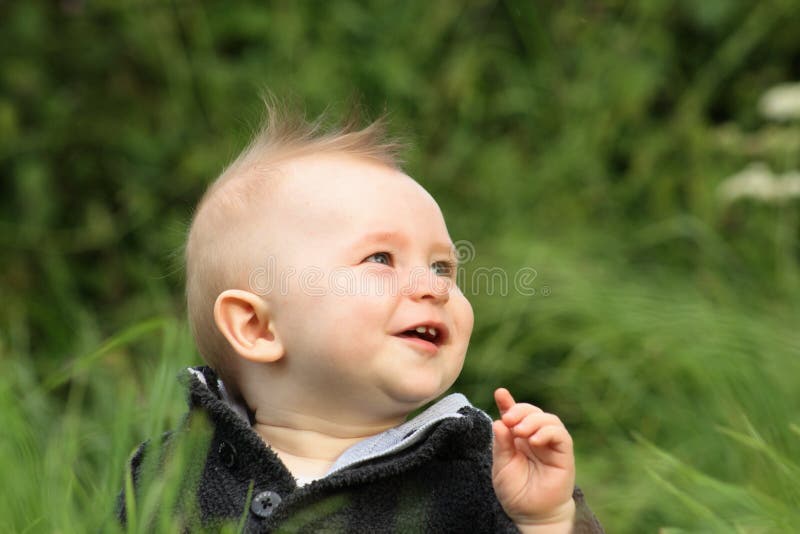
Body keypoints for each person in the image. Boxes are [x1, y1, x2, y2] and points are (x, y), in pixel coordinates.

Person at [120, 103, 605, 533]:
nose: (434, 286)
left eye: (443, 267)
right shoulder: (172, 473)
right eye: (380, 259)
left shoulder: (475, 477)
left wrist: (547, 520)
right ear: (257, 327)